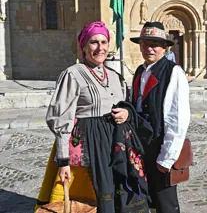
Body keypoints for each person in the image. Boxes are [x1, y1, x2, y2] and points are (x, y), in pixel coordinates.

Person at [35, 21, 150, 213]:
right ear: (84, 46)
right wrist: (63, 162)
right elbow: (61, 118)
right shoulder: (72, 74)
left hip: (116, 143)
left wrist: (126, 113)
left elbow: (125, 105)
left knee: (122, 191)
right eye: (94, 42)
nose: (100, 48)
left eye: (104, 42)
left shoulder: (114, 76)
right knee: (96, 198)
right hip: (90, 146)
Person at [130, 21, 190, 213]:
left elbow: (178, 117)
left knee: (166, 203)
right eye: (145, 43)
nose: (149, 48)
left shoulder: (173, 72)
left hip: (159, 146)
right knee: (147, 199)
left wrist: (167, 156)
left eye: (155, 44)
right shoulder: (140, 71)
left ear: (164, 47)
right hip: (141, 147)